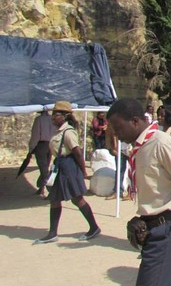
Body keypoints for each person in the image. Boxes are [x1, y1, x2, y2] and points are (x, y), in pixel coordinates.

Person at [107, 98, 171, 285]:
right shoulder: (139, 147)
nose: (117, 136)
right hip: (153, 226)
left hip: (167, 227)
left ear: (135, 121)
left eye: (119, 129)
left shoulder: (161, 142)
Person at [34, 101, 101, 244]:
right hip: (60, 166)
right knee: (55, 199)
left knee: (77, 198)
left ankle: (94, 227)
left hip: (69, 167)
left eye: (56, 114)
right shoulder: (57, 131)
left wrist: (83, 171)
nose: (53, 117)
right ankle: (52, 233)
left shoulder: (68, 132)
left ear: (64, 116)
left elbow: (77, 153)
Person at [28, 110, 56, 197]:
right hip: (51, 144)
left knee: (43, 168)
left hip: (42, 144)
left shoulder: (39, 120)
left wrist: (31, 147)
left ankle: (51, 190)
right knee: (45, 167)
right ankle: (41, 188)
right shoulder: (53, 119)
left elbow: (35, 134)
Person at [104, 123, 130, 200]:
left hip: (130, 148)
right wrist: (111, 149)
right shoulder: (113, 121)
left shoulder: (131, 119)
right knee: (119, 171)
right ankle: (118, 191)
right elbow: (109, 134)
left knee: (132, 171)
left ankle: (131, 192)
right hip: (119, 149)